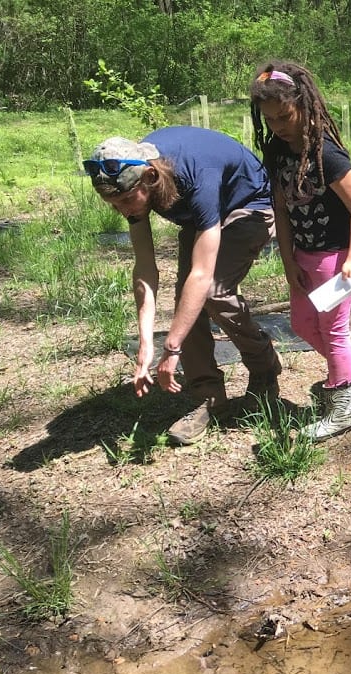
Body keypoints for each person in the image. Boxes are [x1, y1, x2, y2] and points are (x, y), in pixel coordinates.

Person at [85, 129, 284, 445]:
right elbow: (145, 270)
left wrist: (172, 346)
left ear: (150, 177)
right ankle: (208, 396)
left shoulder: (194, 175)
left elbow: (202, 275)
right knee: (186, 304)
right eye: (114, 205)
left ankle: (264, 368)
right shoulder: (136, 183)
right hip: (201, 214)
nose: (123, 211)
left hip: (248, 204)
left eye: (125, 200)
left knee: (213, 292)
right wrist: (147, 343)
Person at [249, 61, 351, 441]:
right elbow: (280, 208)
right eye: (270, 119)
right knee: (302, 325)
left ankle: (341, 407)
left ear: (304, 105)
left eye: (284, 116)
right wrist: (287, 258)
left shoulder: (329, 155)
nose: (278, 125)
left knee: (334, 330)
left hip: (335, 258)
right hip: (303, 257)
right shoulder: (276, 152)